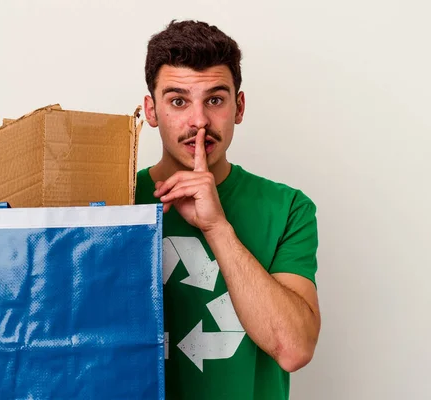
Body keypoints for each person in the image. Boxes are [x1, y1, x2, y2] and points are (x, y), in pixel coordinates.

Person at [134, 20, 321, 399]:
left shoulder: (287, 207)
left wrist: (217, 227)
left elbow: (294, 349)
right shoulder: (112, 200)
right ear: (151, 111)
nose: (199, 121)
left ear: (239, 107)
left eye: (215, 100)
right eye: (178, 101)